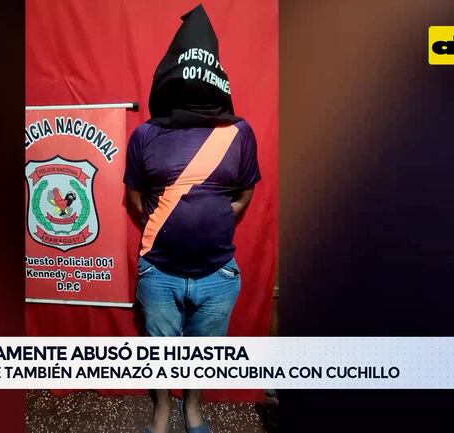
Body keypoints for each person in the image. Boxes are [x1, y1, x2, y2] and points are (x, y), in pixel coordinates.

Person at [124, 5, 261, 433]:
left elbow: (245, 194)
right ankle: (162, 410)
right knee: (160, 352)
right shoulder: (144, 135)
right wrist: (166, 222)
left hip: (218, 272)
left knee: (203, 354)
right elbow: (134, 196)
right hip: (159, 271)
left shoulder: (239, 133)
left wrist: (213, 219)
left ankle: (193, 408)